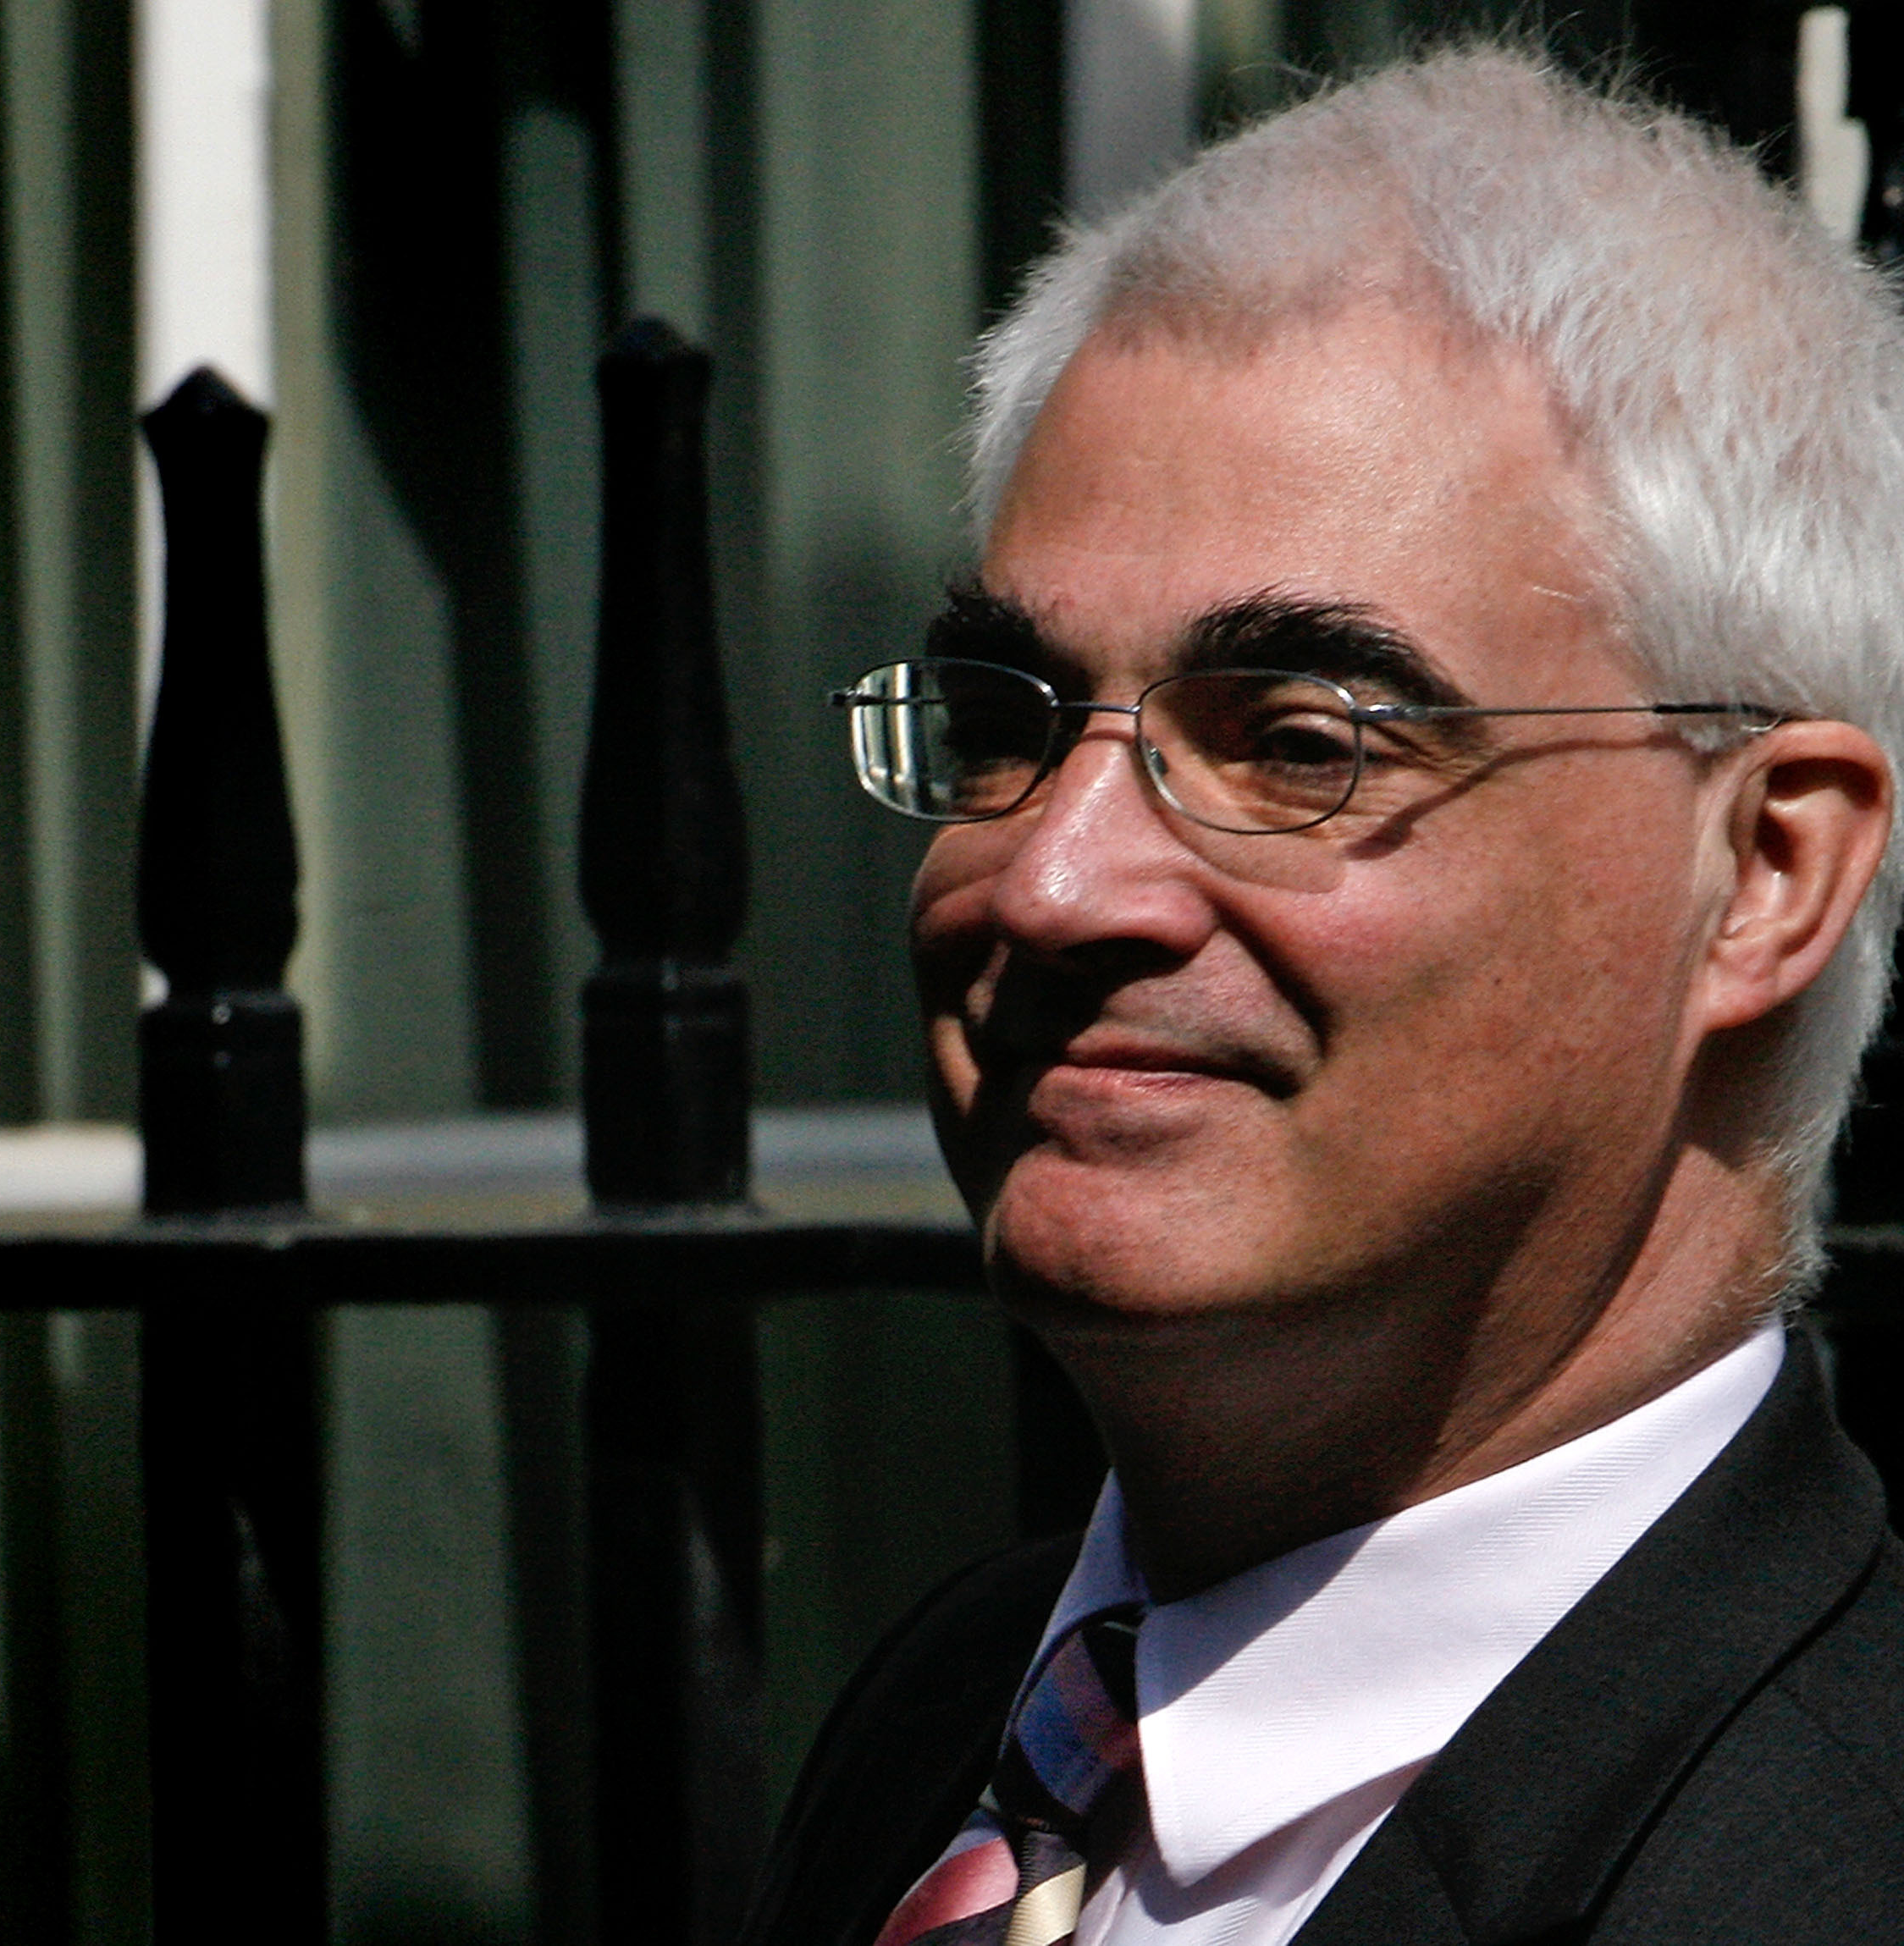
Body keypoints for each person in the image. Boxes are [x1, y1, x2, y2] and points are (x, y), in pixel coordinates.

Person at [744, 47, 1904, 1946]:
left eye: (1301, 743)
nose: (1052, 881)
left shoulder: (1821, 1865)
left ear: (1765, 873)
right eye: (1005, 722)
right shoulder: (949, 1722)